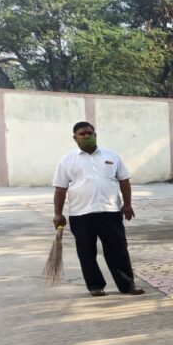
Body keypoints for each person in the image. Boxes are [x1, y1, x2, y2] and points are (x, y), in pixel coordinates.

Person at [51, 121, 145, 297]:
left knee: (118, 251)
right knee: (86, 253)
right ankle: (95, 286)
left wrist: (127, 204)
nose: (86, 136)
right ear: (75, 138)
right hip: (81, 214)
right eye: (82, 134)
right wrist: (58, 214)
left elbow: (124, 181)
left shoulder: (111, 155)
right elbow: (60, 189)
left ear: (95, 135)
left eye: (89, 133)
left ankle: (127, 285)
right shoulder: (67, 160)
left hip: (110, 212)